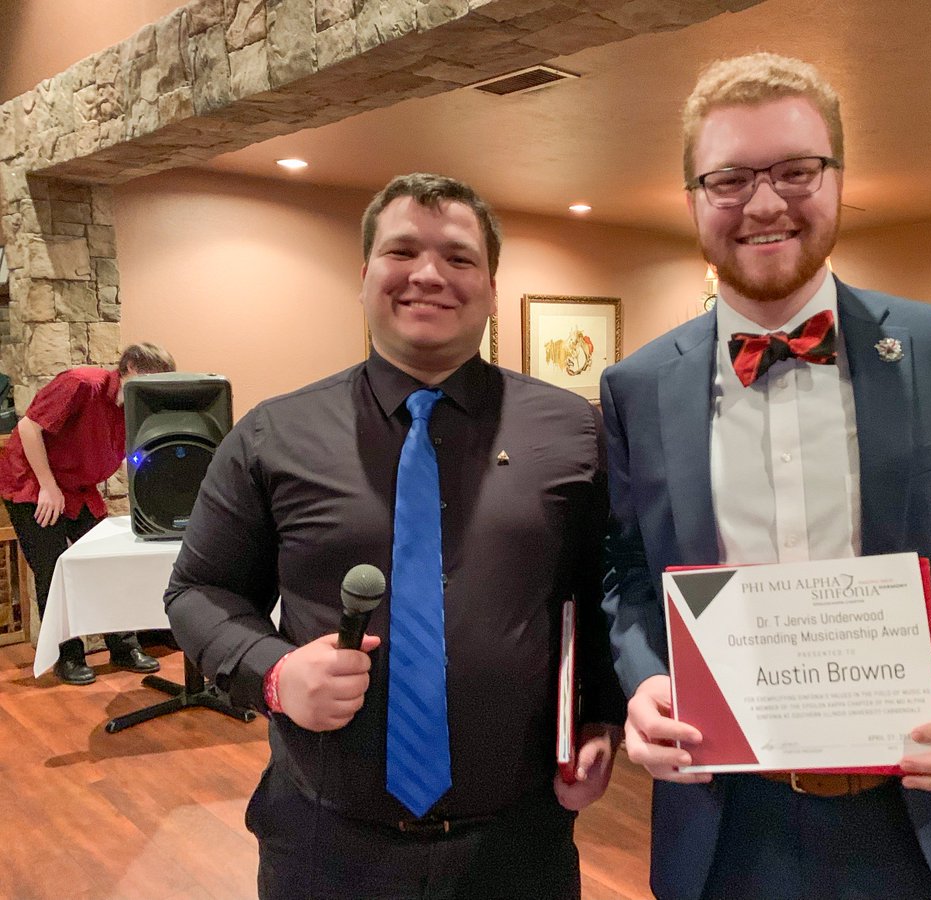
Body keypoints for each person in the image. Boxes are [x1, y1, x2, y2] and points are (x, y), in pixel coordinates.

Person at [601, 53, 931, 900]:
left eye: (796, 171)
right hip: (724, 826)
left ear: (839, 180)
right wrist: (645, 680)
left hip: (928, 817)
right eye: (731, 178)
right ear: (695, 200)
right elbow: (628, 571)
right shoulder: (635, 388)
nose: (767, 203)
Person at [164, 173, 625, 899]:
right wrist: (276, 675)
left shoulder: (574, 433)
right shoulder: (272, 436)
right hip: (325, 845)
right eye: (402, 250)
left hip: (518, 847)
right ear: (365, 275)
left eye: (460, 258)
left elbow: (600, 592)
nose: (430, 275)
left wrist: (600, 720)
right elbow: (199, 591)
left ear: (493, 286)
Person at [0, 343, 177, 685]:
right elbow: (28, 428)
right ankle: (68, 656)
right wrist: (48, 487)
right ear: (128, 371)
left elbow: (132, 455)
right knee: (53, 569)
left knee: (107, 561)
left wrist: (153, 489)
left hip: (79, 489)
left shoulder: (137, 406)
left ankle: (123, 646)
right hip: (35, 485)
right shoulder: (82, 384)